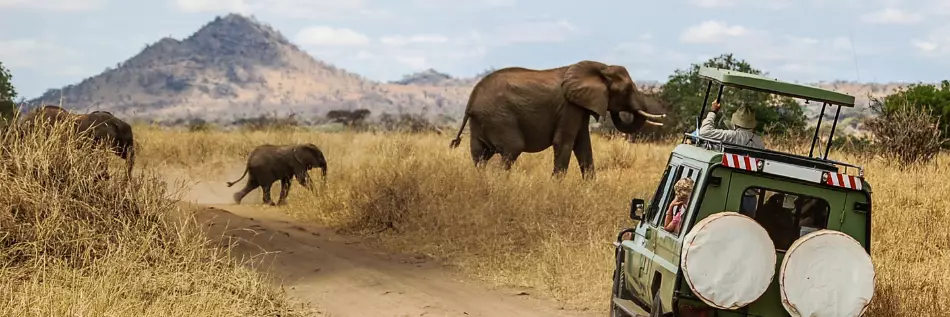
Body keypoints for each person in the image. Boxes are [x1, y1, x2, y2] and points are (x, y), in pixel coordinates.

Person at [696, 99, 765, 149]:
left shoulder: (731, 135)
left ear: (735, 124)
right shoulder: (759, 141)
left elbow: (704, 132)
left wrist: (713, 112)